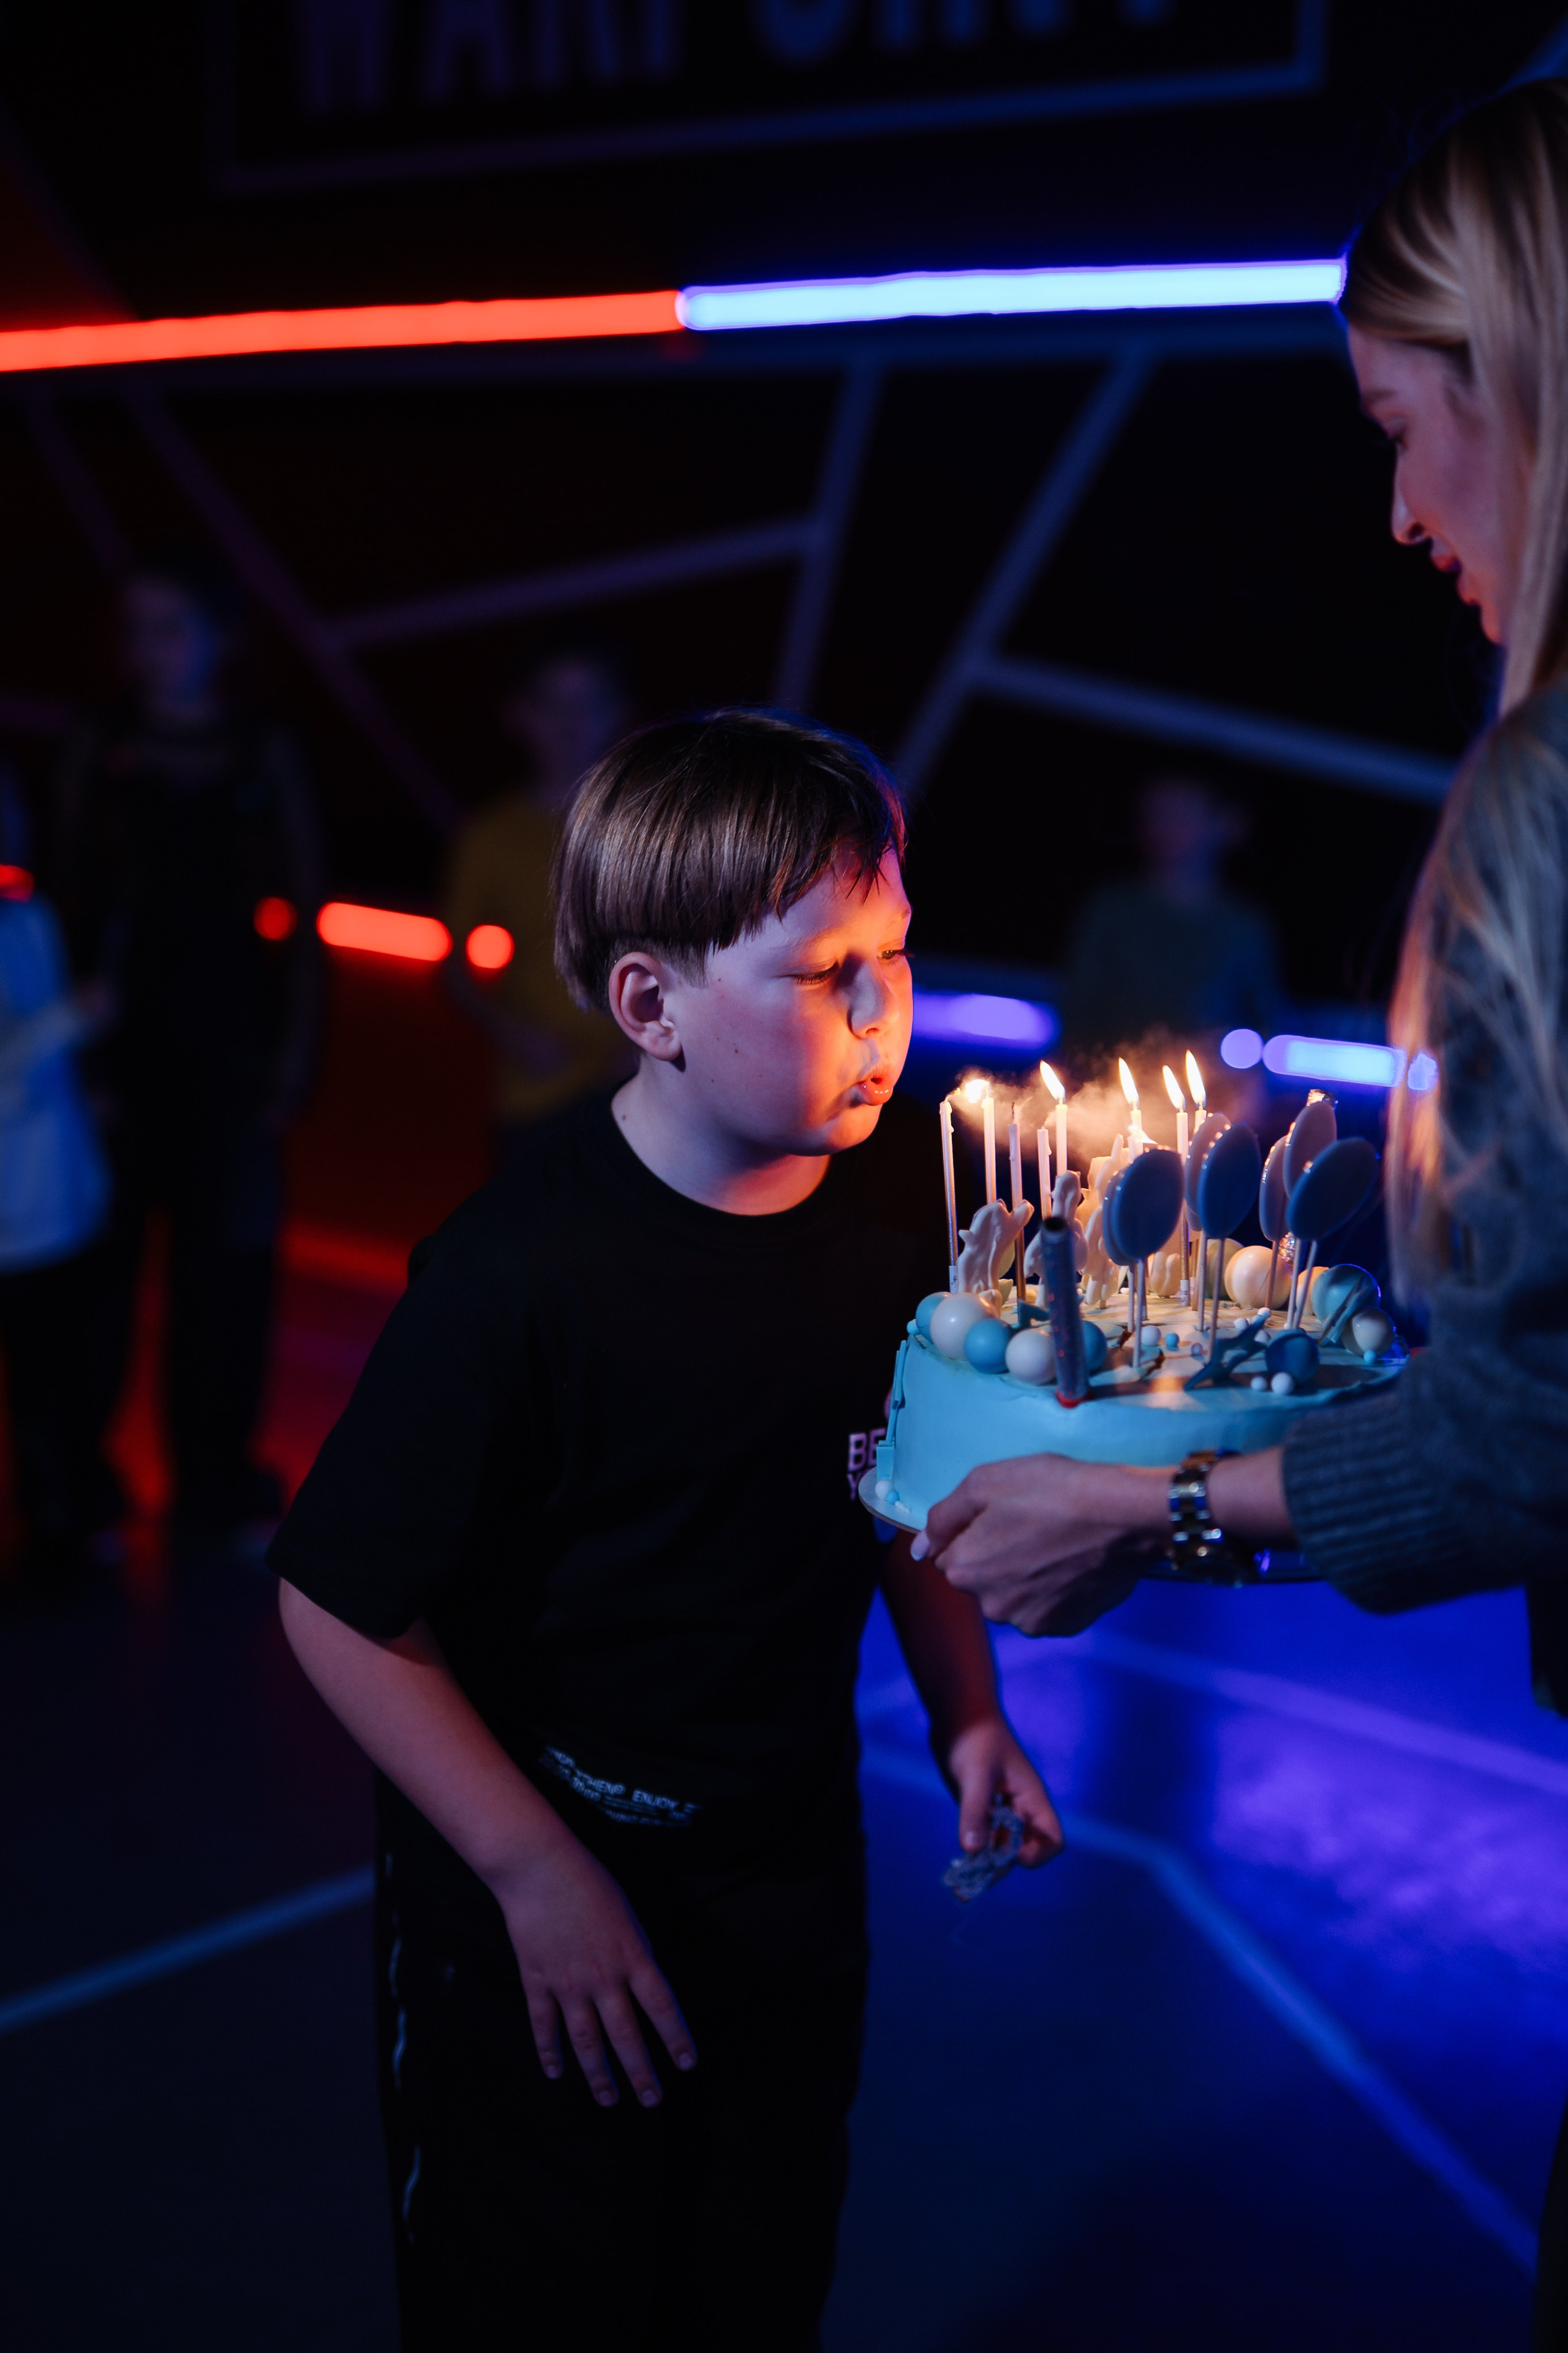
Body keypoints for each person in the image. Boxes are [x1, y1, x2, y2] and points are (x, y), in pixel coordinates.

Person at [908, 80, 1568, 2341]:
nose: (1396, 510)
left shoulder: (1540, 799)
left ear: (1528, 374)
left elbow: (1530, 1426)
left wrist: (1146, 1505)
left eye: (1398, 424)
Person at [270, 709, 1062, 2352]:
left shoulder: (896, 1223)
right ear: (651, 1004)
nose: (885, 1014)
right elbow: (338, 1601)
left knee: (752, 2278)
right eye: (824, 974)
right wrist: (534, 1873)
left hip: (783, 1867)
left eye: (895, 953)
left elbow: (893, 1481)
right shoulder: (514, 1275)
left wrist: (966, 1707)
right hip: (537, 1900)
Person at [55, 552, 323, 1551]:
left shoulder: (264, 746)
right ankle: (76, 1483)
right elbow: (64, 898)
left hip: (230, 1044)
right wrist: (74, 1062)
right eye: (138, 629)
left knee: (227, 1275)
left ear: (221, 636)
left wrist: (295, 1057)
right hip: (116, 1039)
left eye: (171, 627)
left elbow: (304, 914)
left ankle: (214, 1482)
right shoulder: (100, 740)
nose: (150, 649)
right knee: (95, 1272)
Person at [443, 640, 633, 1171]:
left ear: (616, 713)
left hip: (642, 1083)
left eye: (587, 705)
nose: (570, 724)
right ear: (520, 715)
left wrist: (645, 1044)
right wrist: (512, 1032)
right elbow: (453, 966)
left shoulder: (648, 826)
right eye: (553, 706)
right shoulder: (490, 835)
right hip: (536, 1087)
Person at [0, 769, 113, 1583]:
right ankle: (52, 1531)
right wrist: (74, 1018)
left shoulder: (30, 916)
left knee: (59, 1376)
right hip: (13, 1210)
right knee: (38, 1384)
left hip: (62, 1196)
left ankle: (63, 1524)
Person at [1058, 772, 1283, 1054]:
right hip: (1116, 1069)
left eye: (1181, 815)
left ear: (1229, 824)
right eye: (1154, 815)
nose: (1164, 828)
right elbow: (1079, 1004)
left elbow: (1264, 1015)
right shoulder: (1111, 909)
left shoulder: (1244, 925)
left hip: (1209, 1073)